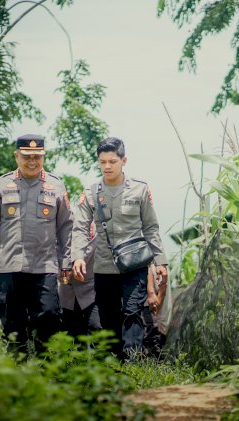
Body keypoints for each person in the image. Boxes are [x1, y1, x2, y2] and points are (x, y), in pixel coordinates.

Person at [0, 134, 73, 355]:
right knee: (13, 324)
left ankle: (46, 371)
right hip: (9, 266)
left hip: (44, 266)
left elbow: (66, 226)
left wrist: (66, 261)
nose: (32, 161)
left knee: (48, 316)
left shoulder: (56, 186)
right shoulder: (2, 184)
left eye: (37, 156)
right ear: (16, 155)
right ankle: (17, 372)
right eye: (27, 156)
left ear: (43, 156)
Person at [72, 137, 168, 360]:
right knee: (108, 317)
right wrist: (77, 257)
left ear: (124, 161)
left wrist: (160, 261)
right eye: (102, 161)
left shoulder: (139, 190)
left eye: (112, 161)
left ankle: (132, 362)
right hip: (104, 266)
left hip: (135, 265)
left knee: (132, 311)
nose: (107, 166)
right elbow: (79, 228)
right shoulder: (91, 193)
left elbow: (151, 227)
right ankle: (113, 366)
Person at [58, 222, 101, 337]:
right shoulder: (64, 239)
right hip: (68, 292)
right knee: (73, 334)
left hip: (91, 291)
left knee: (96, 327)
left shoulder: (100, 236)